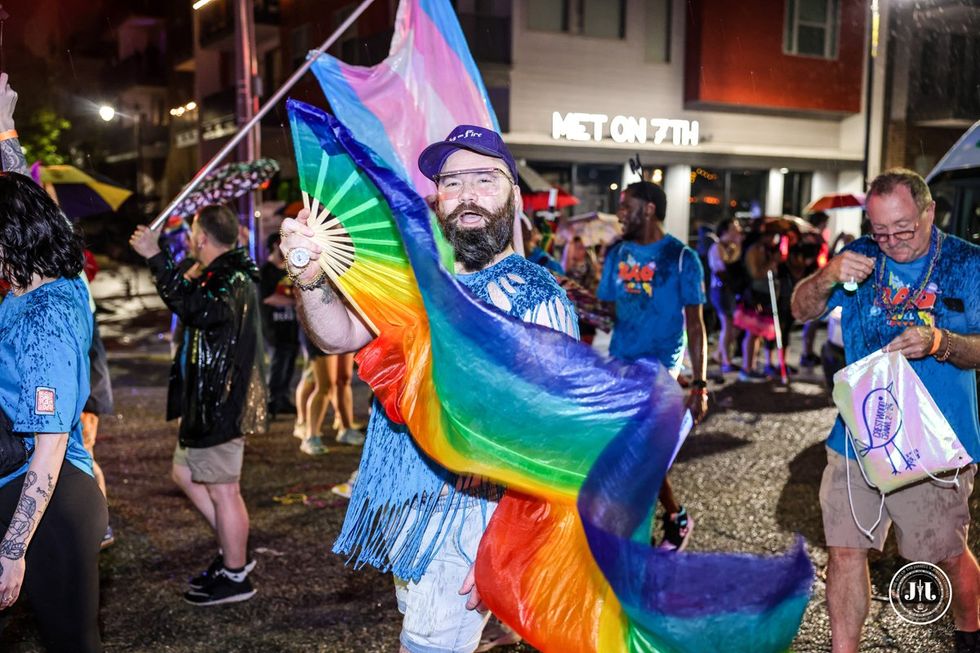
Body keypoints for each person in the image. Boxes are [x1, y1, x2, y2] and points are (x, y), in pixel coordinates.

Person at [280, 124, 577, 653]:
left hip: (469, 516)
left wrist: (509, 542)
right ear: (436, 198)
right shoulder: (419, 280)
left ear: (513, 193)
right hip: (405, 504)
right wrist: (309, 275)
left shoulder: (535, 297)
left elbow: (556, 438)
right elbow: (338, 337)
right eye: (452, 181)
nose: (466, 195)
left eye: (484, 179)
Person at [791, 168, 980, 653]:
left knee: (942, 553)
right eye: (881, 232)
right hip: (857, 434)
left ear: (929, 212)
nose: (892, 242)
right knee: (845, 550)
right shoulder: (859, 258)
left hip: (936, 444)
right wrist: (829, 275)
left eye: (904, 229)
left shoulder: (968, 263)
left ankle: (970, 629)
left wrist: (941, 341)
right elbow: (799, 309)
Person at [129, 204, 267, 606]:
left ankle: (236, 572)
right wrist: (183, 270)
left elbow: (193, 307)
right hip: (206, 403)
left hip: (219, 404)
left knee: (225, 490)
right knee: (184, 474)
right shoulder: (219, 273)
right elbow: (192, 300)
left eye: (192, 233)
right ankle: (232, 547)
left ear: (202, 238)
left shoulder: (231, 278)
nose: (189, 239)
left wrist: (157, 256)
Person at [0, 172, 107, 652]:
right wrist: (5, 129)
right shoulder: (43, 287)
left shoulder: (45, 319)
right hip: (27, 488)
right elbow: (18, 192)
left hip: (51, 503)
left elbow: (50, 444)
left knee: (72, 645)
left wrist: (12, 549)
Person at [597, 180, 708, 551]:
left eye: (626, 206)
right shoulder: (616, 255)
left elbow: (696, 324)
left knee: (636, 455)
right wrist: (574, 295)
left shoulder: (680, 258)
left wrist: (700, 384)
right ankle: (675, 518)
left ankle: (634, 547)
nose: (619, 214)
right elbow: (610, 308)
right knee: (634, 455)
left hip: (659, 371)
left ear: (648, 210)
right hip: (621, 366)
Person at [260, 232, 299, 418]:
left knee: (289, 363)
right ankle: (271, 402)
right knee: (277, 364)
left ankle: (283, 399)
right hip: (273, 328)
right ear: (274, 246)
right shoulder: (265, 271)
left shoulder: (289, 269)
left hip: (291, 327)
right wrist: (294, 302)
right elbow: (268, 297)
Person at [706, 218, 744, 373]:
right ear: (724, 232)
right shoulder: (717, 248)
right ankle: (725, 361)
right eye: (733, 229)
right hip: (721, 290)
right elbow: (720, 271)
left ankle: (719, 355)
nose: (737, 231)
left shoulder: (731, 248)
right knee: (727, 325)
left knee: (735, 325)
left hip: (728, 291)